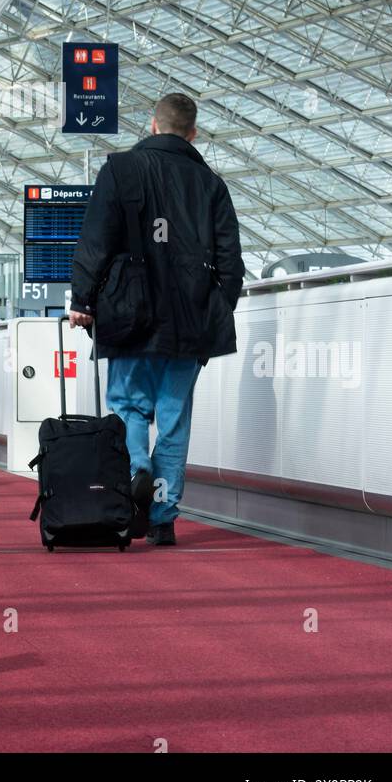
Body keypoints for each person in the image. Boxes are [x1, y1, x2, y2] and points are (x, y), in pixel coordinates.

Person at [70, 92, 244, 547]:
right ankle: (164, 517)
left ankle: (137, 469)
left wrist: (82, 300)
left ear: (151, 125)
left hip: (129, 317)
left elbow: (95, 241)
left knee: (128, 406)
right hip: (189, 323)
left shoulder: (120, 170)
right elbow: (231, 263)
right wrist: (217, 308)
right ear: (193, 133)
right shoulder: (210, 184)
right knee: (174, 418)